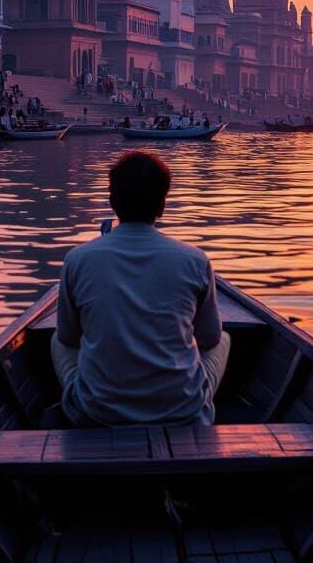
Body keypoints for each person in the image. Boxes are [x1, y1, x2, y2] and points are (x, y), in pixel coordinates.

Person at [52, 151, 230, 427]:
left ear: (113, 201)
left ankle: (83, 401)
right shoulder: (194, 260)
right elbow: (209, 339)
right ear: (162, 204)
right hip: (183, 412)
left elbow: (67, 337)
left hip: (99, 413)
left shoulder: (78, 259)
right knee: (224, 339)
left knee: (55, 341)